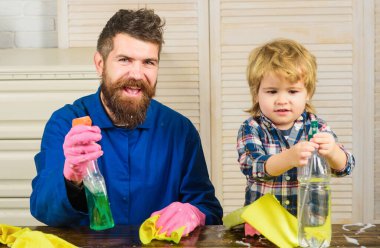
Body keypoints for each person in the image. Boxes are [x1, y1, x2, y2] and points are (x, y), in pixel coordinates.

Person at [30, 8, 223, 236]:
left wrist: (194, 213)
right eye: (125, 60)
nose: (137, 74)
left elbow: (209, 210)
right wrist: (71, 178)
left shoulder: (180, 131)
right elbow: (42, 210)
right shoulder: (65, 123)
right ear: (100, 64)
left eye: (149, 62)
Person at [237, 38, 355, 216]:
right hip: (263, 225)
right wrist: (289, 158)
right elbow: (253, 167)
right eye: (272, 91)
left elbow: (346, 167)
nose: (282, 100)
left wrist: (332, 152)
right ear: (256, 94)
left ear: (308, 93)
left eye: (292, 91)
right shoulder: (251, 128)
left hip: (307, 223)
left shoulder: (317, 127)